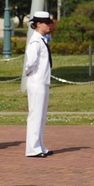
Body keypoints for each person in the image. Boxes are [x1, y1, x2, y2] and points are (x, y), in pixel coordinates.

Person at [24, 11, 54, 157]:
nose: (49, 25)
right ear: (39, 24)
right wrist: (29, 73)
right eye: (46, 23)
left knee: (41, 116)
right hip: (37, 81)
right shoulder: (35, 41)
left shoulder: (41, 39)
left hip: (42, 81)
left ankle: (40, 145)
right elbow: (30, 62)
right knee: (35, 115)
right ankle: (33, 148)